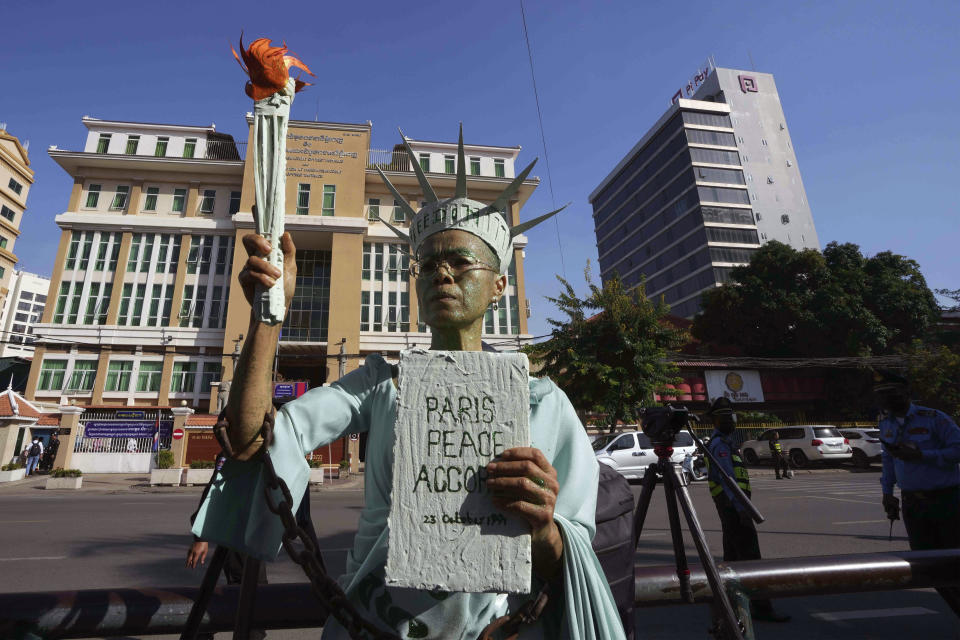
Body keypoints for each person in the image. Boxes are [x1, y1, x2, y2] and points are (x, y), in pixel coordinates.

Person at [192, 131, 624, 640]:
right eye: (428, 266)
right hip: (372, 623)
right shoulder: (381, 385)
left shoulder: (544, 401)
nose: (442, 275)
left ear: (499, 286)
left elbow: (568, 552)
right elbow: (250, 440)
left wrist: (543, 524)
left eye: (461, 263)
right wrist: (268, 317)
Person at [874, 369, 960, 616]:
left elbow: (958, 449)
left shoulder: (934, 418)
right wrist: (887, 492)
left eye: (891, 393)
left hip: (946, 501)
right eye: (881, 395)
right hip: (913, 504)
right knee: (928, 567)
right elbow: (889, 460)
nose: (886, 399)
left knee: (954, 563)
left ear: (907, 393)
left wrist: (923, 455)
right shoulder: (885, 423)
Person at [705, 397, 790, 623]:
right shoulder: (719, 445)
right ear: (715, 421)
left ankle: (728, 606)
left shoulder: (724, 442)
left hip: (733, 507)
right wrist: (742, 508)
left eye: (730, 417)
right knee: (752, 559)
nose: (730, 421)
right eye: (725, 418)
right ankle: (761, 607)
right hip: (734, 508)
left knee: (732, 560)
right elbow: (728, 479)